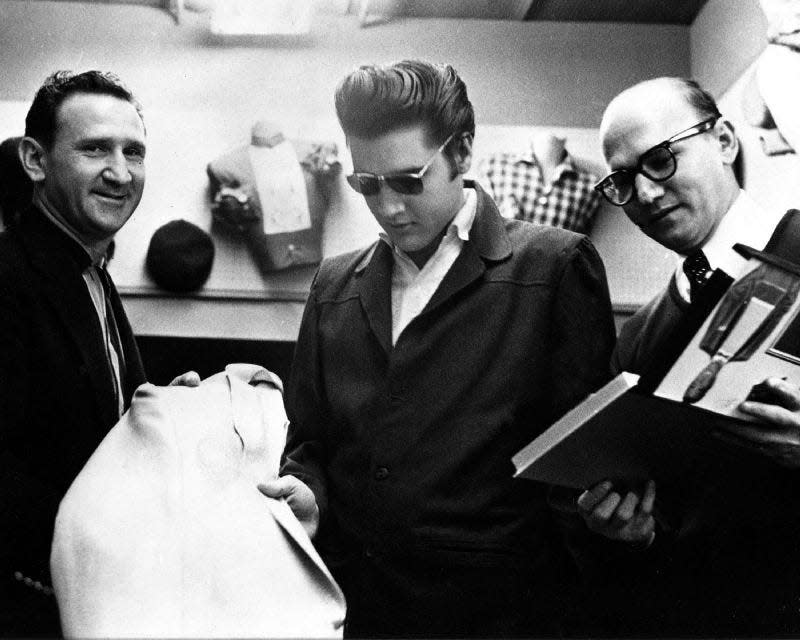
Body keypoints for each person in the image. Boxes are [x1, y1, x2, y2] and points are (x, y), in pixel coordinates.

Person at [260, 59, 617, 638]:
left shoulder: (553, 268)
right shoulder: (332, 284)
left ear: (463, 153)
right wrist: (311, 496)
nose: (389, 207)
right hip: (351, 609)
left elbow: (575, 470)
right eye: (366, 185)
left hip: (495, 619)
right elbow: (310, 441)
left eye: (407, 180)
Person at [579, 76, 800, 636]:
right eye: (622, 181)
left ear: (724, 140)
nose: (646, 194)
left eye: (659, 160)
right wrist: (635, 533)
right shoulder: (637, 338)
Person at [0, 70, 148, 636]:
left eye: (133, 152)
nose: (120, 172)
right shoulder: (10, 276)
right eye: (94, 149)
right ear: (36, 161)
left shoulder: (91, 271)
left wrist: (156, 407)